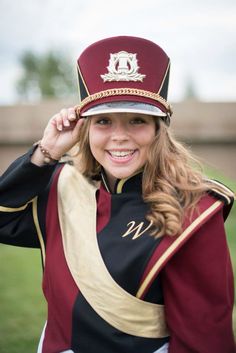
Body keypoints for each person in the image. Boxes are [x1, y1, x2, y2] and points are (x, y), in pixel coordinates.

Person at [0, 35, 235, 353]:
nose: (119, 137)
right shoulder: (61, 185)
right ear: (85, 129)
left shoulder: (195, 210)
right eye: (103, 121)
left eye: (137, 121)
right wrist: (45, 153)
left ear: (158, 130)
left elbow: (203, 338)